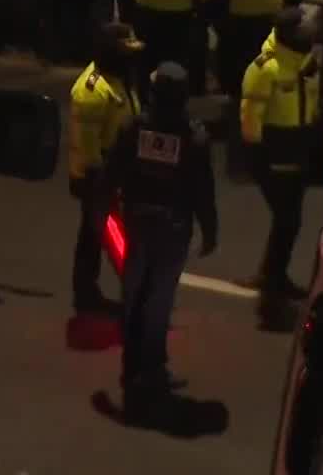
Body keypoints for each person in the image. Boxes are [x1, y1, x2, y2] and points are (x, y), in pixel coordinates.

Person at [104, 61, 217, 423]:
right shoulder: (194, 137)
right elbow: (203, 191)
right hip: (173, 227)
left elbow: (112, 173)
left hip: (138, 222)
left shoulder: (133, 129)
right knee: (159, 299)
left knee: (134, 292)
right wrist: (210, 229)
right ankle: (150, 369)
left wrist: (101, 211)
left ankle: (133, 366)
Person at [238, 9, 317, 303]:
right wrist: (257, 156)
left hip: (299, 145)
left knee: (290, 219)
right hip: (273, 150)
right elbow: (250, 115)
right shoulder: (265, 68)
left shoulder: (306, 61)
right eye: (303, 27)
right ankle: (273, 277)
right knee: (287, 218)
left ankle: (272, 273)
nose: (309, 30)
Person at [67, 23, 145, 316]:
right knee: (106, 234)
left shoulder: (119, 78)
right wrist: (103, 182)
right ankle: (100, 292)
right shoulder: (92, 91)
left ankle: (91, 290)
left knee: (94, 235)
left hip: (118, 172)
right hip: (97, 177)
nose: (132, 59)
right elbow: (88, 147)